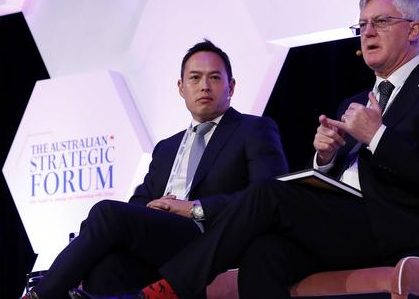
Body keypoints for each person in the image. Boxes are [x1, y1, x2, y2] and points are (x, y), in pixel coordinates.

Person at [111, 0, 419, 299]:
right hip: (348, 226)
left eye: (381, 22)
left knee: (269, 192)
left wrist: (377, 135)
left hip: (402, 227)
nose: (367, 32)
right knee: (263, 252)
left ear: (414, 29)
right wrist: (325, 159)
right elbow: (345, 176)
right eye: (361, 25)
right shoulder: (355, 102)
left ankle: (168, 289)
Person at [22, 40, 288, 299]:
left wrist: (192, 207)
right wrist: (154, 208)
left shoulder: (254, 129)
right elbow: (139, 203)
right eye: (195, 78)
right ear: (181, 88)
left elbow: (268, 197)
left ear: (231, 86)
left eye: (215, 78)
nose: (204, 86)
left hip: (212, 239)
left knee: (107, 212)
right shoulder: (167, 147)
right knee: (108, 266)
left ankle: (40, 295)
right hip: (163, 242)